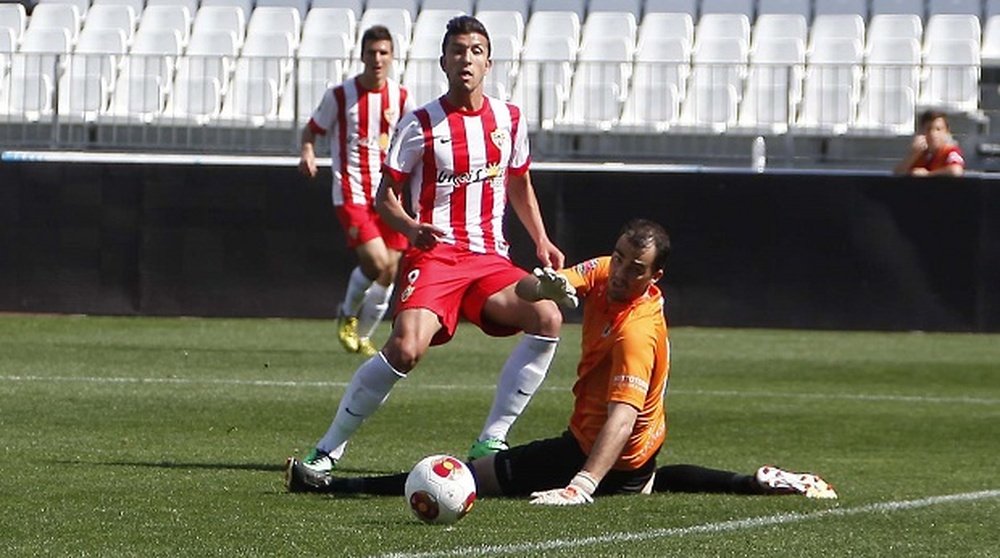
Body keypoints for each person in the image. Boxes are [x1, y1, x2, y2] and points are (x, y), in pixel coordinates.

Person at [285, 219, 838, 504]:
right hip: (637, 453)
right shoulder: (603, 273)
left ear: (654, 277)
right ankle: (750, 480)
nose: (620, 272)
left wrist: (582, 483)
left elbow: (621, 420)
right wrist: (539, 285)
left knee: (477, 477)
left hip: (605, 448)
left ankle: (334, 487)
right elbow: (533, 291)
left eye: (635, 267)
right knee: (650, 481)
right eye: (620, 258)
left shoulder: (636, 333)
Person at [292, 15, 568, 473]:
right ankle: (327, 449)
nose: (466, 59)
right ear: (443, 61)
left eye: (476, 51)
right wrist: (410, 225)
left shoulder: (510, 119)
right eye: (458, 50)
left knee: (547, 316)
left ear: (489, 63)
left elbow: (519, 182)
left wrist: (541, 240)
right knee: (406, 349)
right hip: (435, 255)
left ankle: (491, 440)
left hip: (488, 258)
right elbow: (385, 198)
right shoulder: (420, 123)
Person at [299, 25, 415, 357]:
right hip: (352, 191)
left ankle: (363, 336)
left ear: (392, 57)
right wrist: (308, 152)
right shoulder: (340, 96)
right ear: (361, 55)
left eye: (383, 53)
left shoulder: (402, 98)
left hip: (390, 195)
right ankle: (347, 314)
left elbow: (414, 141)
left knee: (391, 269)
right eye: (371, 52)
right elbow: (311, 130)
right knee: (377, 262)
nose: (377, 59)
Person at [894, 110, 965, 177]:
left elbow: (956, 171)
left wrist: (928, 174)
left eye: (938, 129)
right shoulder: (920, 153)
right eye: (928, 129)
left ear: (946, 132)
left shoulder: (950, 152)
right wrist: (913, 154)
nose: (933, 134)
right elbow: (898, 173)